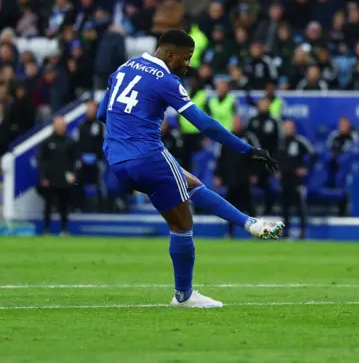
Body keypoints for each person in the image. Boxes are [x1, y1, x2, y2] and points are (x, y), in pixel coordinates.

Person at [97, 30, 284, 309]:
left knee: (191, 184)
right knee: (183, 224)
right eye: (185, 59)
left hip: (116, 158)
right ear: (169, 54)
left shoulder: (124, 68)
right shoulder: (166, 80)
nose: (188, 65)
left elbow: (102, 113)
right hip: (148, 155)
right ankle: (185, 294)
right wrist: (247, 150)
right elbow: (205, 124)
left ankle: (251, 224)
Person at [214, 115, 261, 237]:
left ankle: (255, 231)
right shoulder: (226, 137)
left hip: (245, 178)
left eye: (238, 121)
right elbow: (220, 158)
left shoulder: (249, 137)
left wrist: (254, 173)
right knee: (229, 207)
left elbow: (256, 155)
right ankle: (230, 232)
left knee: (250, 206)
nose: (236, 124)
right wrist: (218, 175)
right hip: (231, 178)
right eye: (234, 121)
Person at [37, 116, 77, 236]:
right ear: (54, 126)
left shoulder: (70, 142)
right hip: (50, 180)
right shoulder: (46, 142)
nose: (61, 127)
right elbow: (41, 161)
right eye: (58, 125)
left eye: (62, 125)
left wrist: (73, 174)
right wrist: (43, 177)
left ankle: (64, 229)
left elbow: (74, 161)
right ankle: (46, 229)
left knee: (64, 206)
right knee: (48, 206)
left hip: (64, 180)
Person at [277, 120, 316, 239]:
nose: (287, 129)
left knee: (300, 207)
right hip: (284, 179)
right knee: (284, 207)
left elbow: (313, 154)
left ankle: (303, 231)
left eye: (289, 127)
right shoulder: (280, 143)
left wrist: (306, 168)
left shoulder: (300, 141)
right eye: (286, 127)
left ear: (294, 128)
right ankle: (285, 231)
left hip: (296, 180)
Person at [77, 100, 106, 211]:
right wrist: (81, 157)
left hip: (96, 159)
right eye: (89, 109)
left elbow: (102, 142)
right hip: (83, 159)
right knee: (77, 182)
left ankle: (101, 206)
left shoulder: (100, 125)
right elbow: (79, 143)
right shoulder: (81, 125)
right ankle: (79, 206)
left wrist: (98, 157)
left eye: (93, 109)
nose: (91, 111)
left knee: (100, 182)